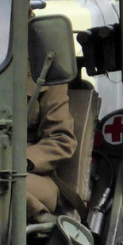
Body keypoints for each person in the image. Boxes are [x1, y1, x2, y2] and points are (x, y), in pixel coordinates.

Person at [26, 79, 77, 220]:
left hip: (25, 172)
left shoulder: (43, 72)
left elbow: (61, 140)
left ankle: (41, 220)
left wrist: (24, 160)